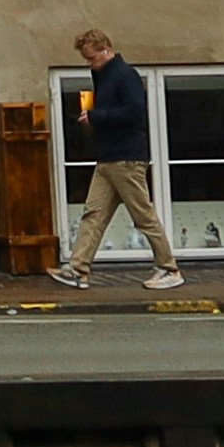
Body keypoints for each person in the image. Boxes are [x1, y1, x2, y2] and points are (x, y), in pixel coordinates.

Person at [67, 28, 179, 293]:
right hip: (108, 157)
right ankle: (77, 269)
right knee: (93, 214)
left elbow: (134, 112)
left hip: (126, 158)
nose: (90, 64)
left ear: (105, 50)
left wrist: (96, 116)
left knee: (143, 215)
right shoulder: (105, 76)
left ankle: (169, 268)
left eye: (92, 58)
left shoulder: (125, 75)